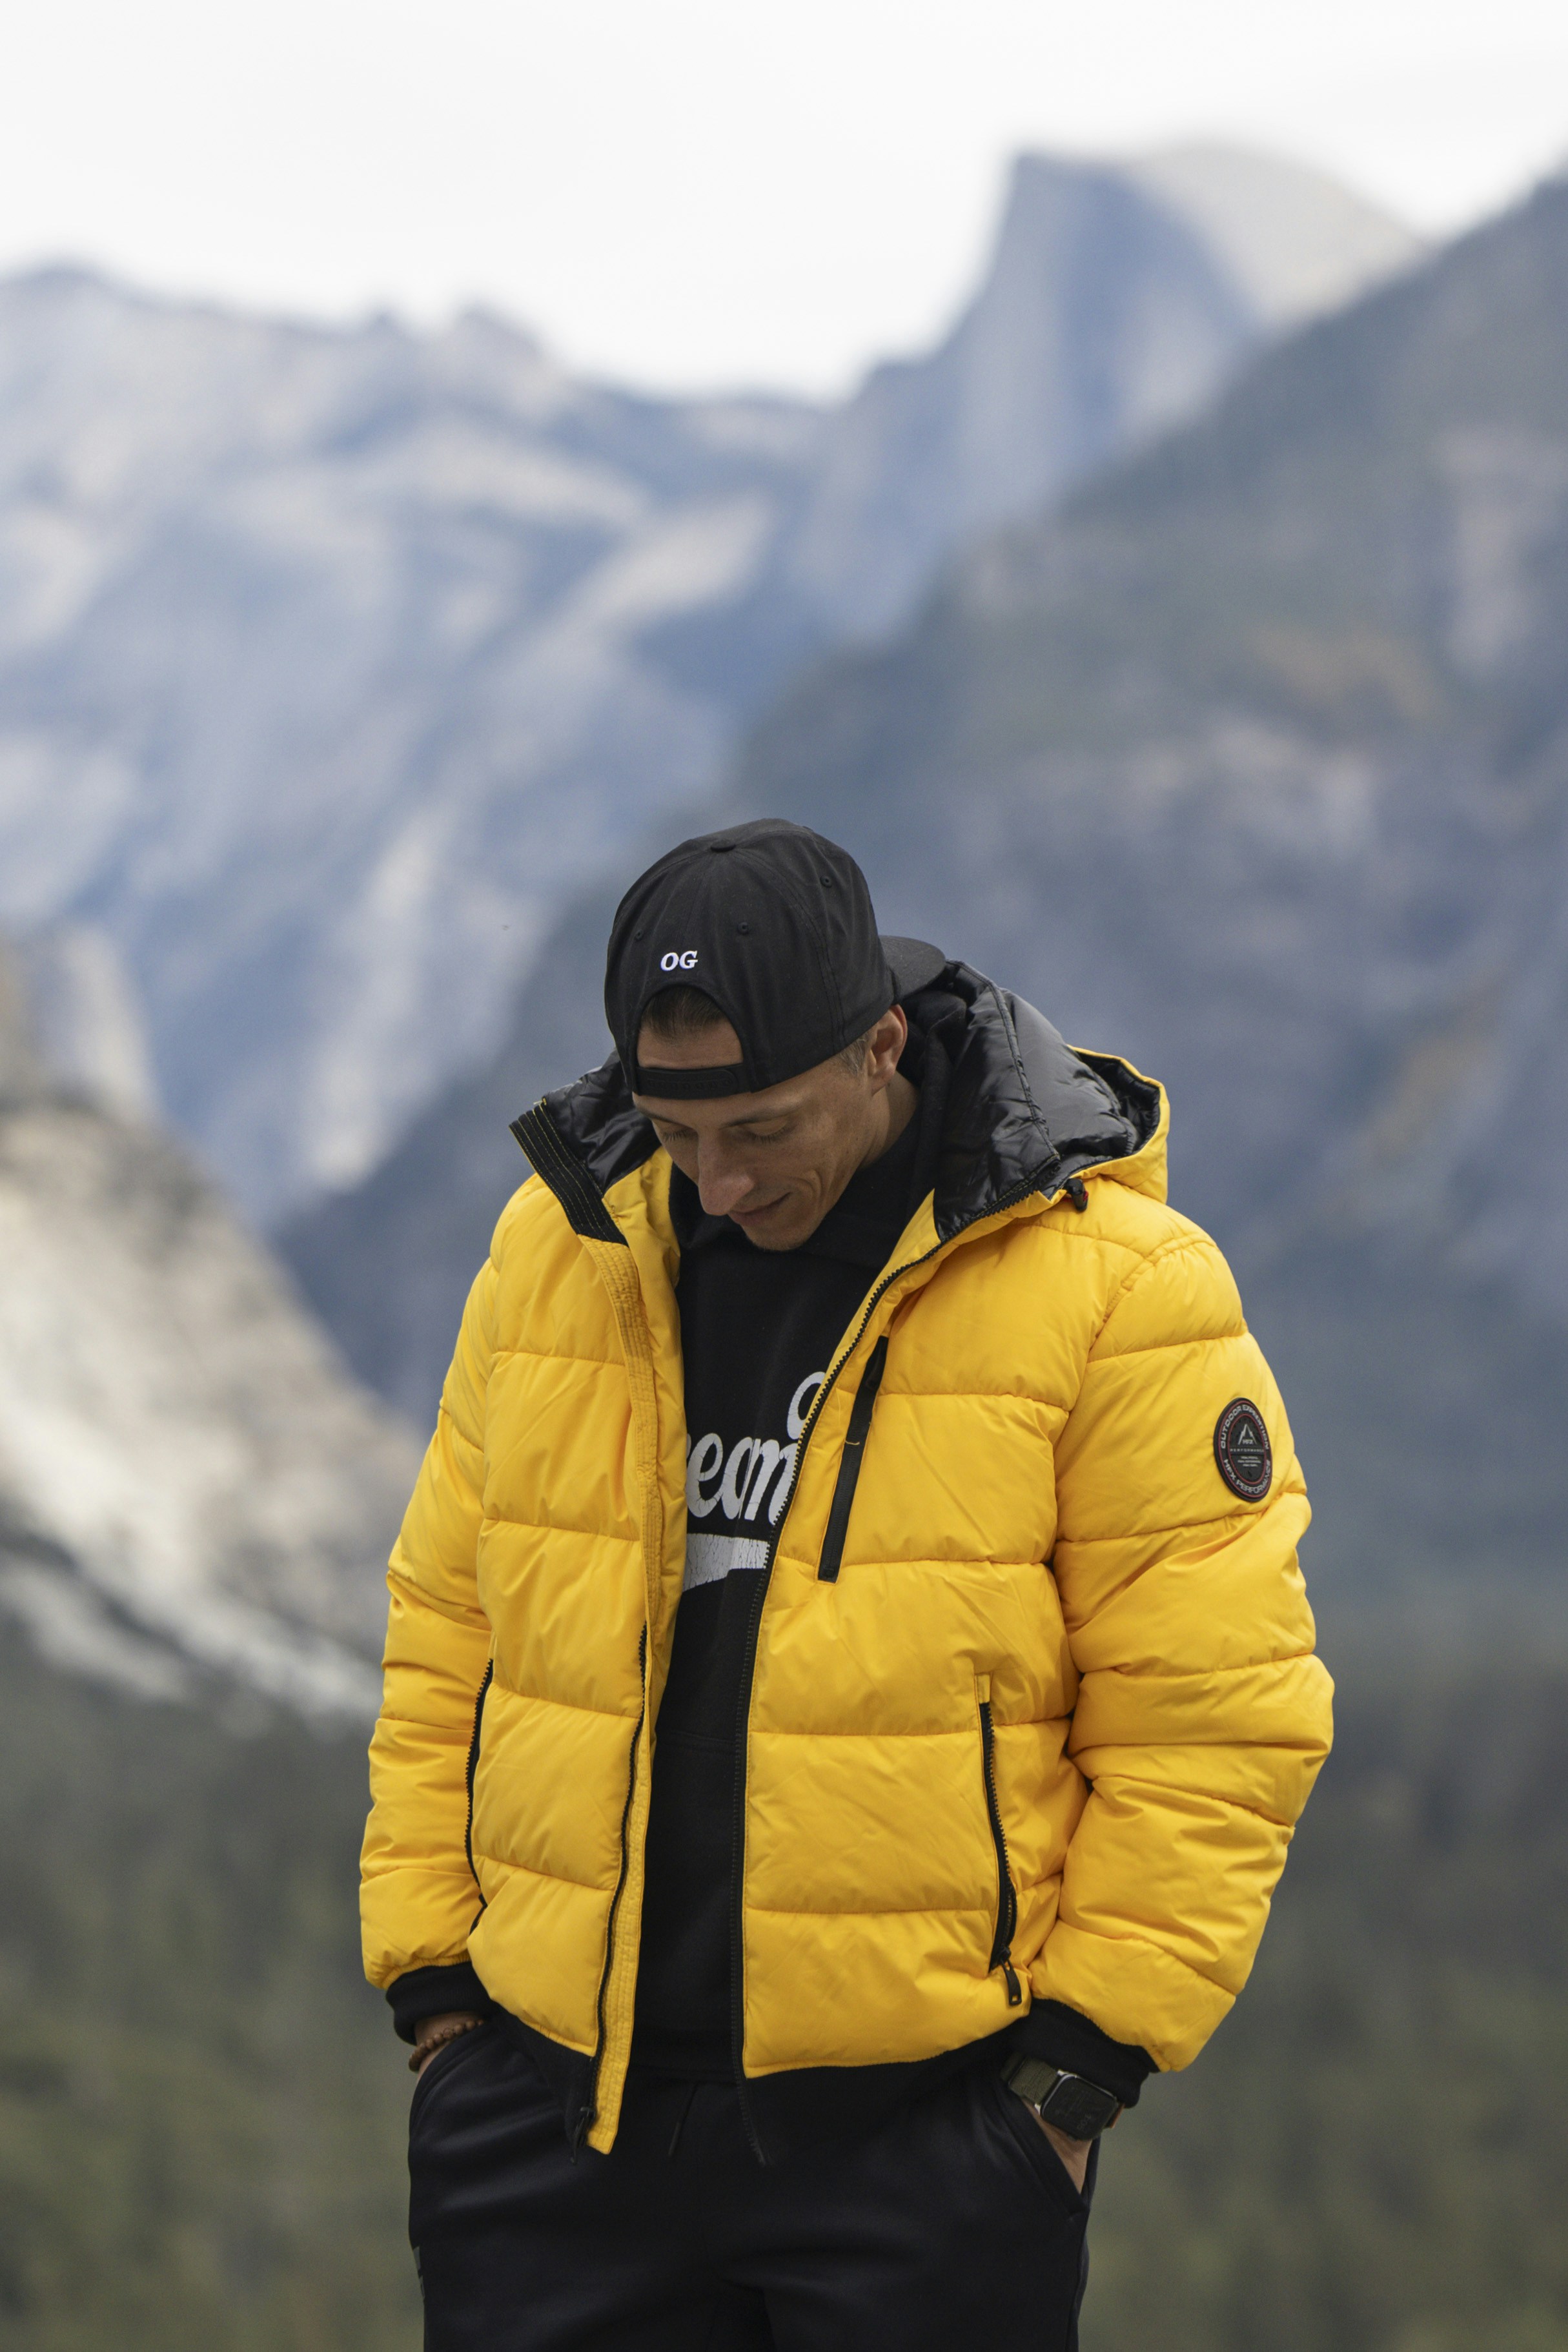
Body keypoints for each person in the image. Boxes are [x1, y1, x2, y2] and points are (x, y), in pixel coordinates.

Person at [360, 817, 1332, 2351]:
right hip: (549, 2134)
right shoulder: (557, 1255)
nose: (720, 1183)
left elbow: (1218, 1720)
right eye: (678, 1136)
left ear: (881, 1047)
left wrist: (1069, 2085)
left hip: (923, 2157)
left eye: (761, 1130)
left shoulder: (1120, 1293)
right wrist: (436, 1995)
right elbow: (448, 1626)